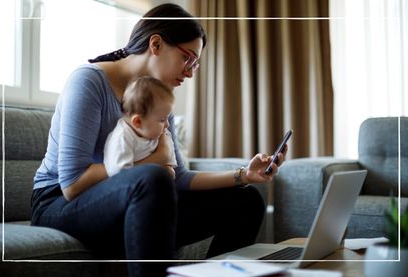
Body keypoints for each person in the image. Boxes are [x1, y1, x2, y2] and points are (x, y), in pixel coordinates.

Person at [30, 3, 287, 277]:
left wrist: (244, 175)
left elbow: (178, 177)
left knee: (246, 201)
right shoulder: (89, 82)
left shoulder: (158, 99)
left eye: (195, 65)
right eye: (188, 59)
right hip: (58, 204)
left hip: (130, 198)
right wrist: (152, 160)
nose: (190, 72)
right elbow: (72, 183)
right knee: (151, 177)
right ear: (156, 44)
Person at [104, 76, 177, 178]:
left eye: (167, 118)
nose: (167, 125)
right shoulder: (122, 138)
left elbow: (169, 160)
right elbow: (121, 175)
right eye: (162, 120)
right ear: (138, 122)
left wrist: (168, 167)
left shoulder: (162, 134)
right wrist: (159, 162)